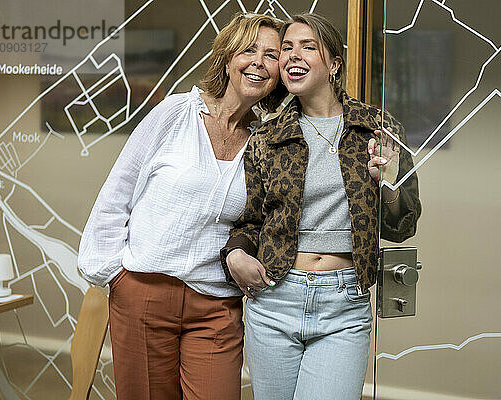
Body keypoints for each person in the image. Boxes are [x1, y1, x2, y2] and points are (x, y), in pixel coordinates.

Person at [78, 13, 286, 400]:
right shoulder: (175, 113)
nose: (258, 61)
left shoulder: (265, 141)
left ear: (279, 71)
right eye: (248, 50)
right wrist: (115, 277)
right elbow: (116, 193)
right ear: (227, 59)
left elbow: (260, 220)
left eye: (271, 54)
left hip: (216, 306)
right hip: (144, 292)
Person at [220, 13, 421, 400]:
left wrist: (388, 183)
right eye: (286, 49)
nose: (293, 56)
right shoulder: (267, 136)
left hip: (344, 306)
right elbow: (249, 220)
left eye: (307, 47)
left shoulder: (377, 126)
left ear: (334, 64)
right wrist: (235, 254)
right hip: (275, 298)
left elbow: (402, 226)